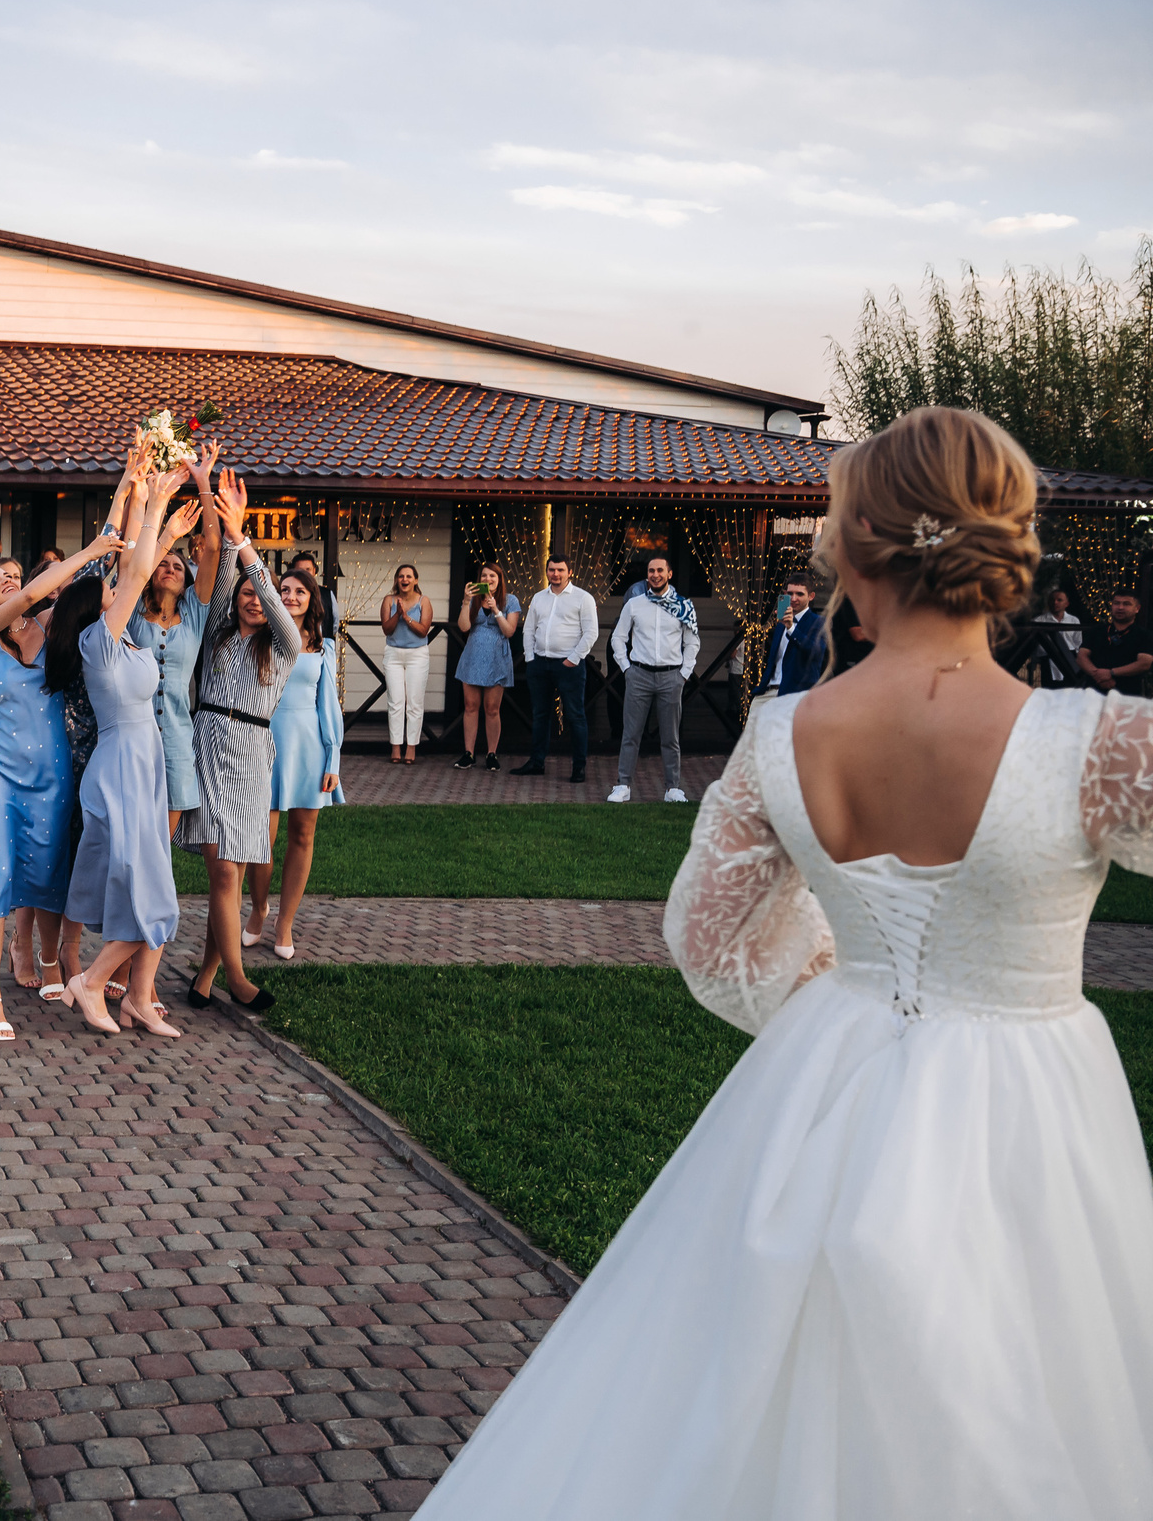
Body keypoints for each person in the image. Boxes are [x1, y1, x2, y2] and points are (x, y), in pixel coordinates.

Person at [418, 403, 1153, 1519]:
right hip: (1031, 1095)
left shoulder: (779, 734)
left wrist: (851, 1004)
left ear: (857, 549)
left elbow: (708, 939)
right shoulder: (1102, 742)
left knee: (745, 1388)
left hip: (822, 1083)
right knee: (1039, 1381)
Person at [50, 446, 203, 1038]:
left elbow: (136, 570)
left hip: (148, 766)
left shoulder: (132, 643)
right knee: (150, 895)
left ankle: (137, 997)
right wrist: (156, 508)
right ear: (98, 606)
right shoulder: (98, 642)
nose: (124, 586)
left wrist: (151, 511)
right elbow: (136, 569)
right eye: (112, 586)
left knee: (154, 887)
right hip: (118, 766)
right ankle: (90, 981)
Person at [0, 535, 121, 1039]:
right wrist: (90, 546)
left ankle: (46, 958)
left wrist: (132, 492)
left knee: (49, 870)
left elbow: (96, 586)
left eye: (11, 570)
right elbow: (35, 593)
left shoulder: (52, 627)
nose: (6, 578)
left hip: (52, 772)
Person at [177, 467, 309, 1014]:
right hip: (209, 745)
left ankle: (205, 975)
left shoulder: (283, 647)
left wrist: (249, 542)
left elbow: (285, 619)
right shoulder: (217, 634)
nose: (255, 599)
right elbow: (225, 572)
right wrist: (226, 520)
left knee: (229, 872)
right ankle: (237, 976)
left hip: (253, 757)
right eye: (248, 594)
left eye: (266, 593)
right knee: (223, 870)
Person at [245, 567, 345, 959]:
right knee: (261, 841)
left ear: (311, 598)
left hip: (309, 748)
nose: (290, 596)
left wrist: (332, 757)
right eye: (283, 589)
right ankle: (258, 909)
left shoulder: (323, 646)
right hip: (264, 744)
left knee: (302, 836)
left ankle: (284, 922)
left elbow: (329, 707)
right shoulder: (260, 636)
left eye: (299, 591)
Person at [128, 445, 223, 836]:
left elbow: (214, 548)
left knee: (160, 849)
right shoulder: (131, 612)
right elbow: (135, 565)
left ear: (188, 578)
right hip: (133, 740)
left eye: (177, 566)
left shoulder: (196, 614)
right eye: (162, 564)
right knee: (132, 838)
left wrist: (203, 483)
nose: (169, 567)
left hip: (178, 744)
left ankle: (155, 901)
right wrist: (163, 532)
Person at [608, 555, 699, 804]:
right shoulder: (635, 604)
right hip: (639, 674)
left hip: (672, 676)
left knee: (670, 737)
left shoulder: (684, 606)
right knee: (631, 734)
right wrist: (626, 667)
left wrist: (684, 673)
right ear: (646, 575)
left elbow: (692, 642)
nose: (655, 574)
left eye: (660, 570)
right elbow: (618, 637)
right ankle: (623, 785)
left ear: (669, 574)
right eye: (651, 571)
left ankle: (672, 788)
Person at [513, 555, 597, 782]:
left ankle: (579, 767)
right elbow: (529, 629)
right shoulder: (539, 598)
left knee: (575, 716)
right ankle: (536, 762)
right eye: (551, 570)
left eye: (560, 570)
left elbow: (591, 633)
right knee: (540, 715)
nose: (555, 574)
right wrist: (530, 657)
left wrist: (573, 659)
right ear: (547, 571)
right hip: (540, 664)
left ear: (570, 572)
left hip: (569, 666)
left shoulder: (583, 598)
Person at [451, 563, 522, 769]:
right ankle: (469, 753)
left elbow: (509, 631)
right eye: (484, 575)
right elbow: (464, 627)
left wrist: (496, 609)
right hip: (473, 656)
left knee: (492, 709)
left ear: (499, 579)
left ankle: (492, 753)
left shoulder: (510, 601)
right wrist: (466, 601)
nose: (488, 579)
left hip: (497, 658)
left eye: (492, 575)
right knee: (470, 707)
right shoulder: (473, 599)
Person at [379, 562, 436, 763]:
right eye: (401, 576)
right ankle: (395, 746)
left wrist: (407, 617)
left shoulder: (424, 601)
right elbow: (387, 629)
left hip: (417, 655)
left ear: (415, 580)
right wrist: (397, 614)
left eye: (409, 576)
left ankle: (411, 747)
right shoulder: (389, 600)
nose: (404, 579)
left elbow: (423, 631)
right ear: (397, 580)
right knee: (395, 702)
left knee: (414, 702)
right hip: (393, 654)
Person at [752, 576, 826, 705]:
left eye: (800, 594)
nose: (793, 598)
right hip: (768, 690)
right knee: (752, 724)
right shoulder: (781, 624)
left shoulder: (819, 622)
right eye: (790, 593)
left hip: (796, 693)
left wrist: (791, 629)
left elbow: (816, 652)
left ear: (811, 596)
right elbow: (773, 659)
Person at [1080, 590, 1153, 697]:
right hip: (1093, 692)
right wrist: (1098, 676)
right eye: (1116, 603)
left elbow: (1144, 663)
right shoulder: (1097, 631)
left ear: (1137, 608)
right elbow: (1081, 656)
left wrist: (1111, 673)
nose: (1120, 607)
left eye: (1126, 604)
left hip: (1127, 694)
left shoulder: (1144, 635)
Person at [1036, 585, 1087, 687]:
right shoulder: (1039, 621)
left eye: (1059, 600)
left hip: (1070, 659)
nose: (1055, 602)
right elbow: (1037, 646)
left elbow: (1078, 642)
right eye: (1052, 600)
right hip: (1048, 659)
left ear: (1066, 603)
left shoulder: (1074, 620)